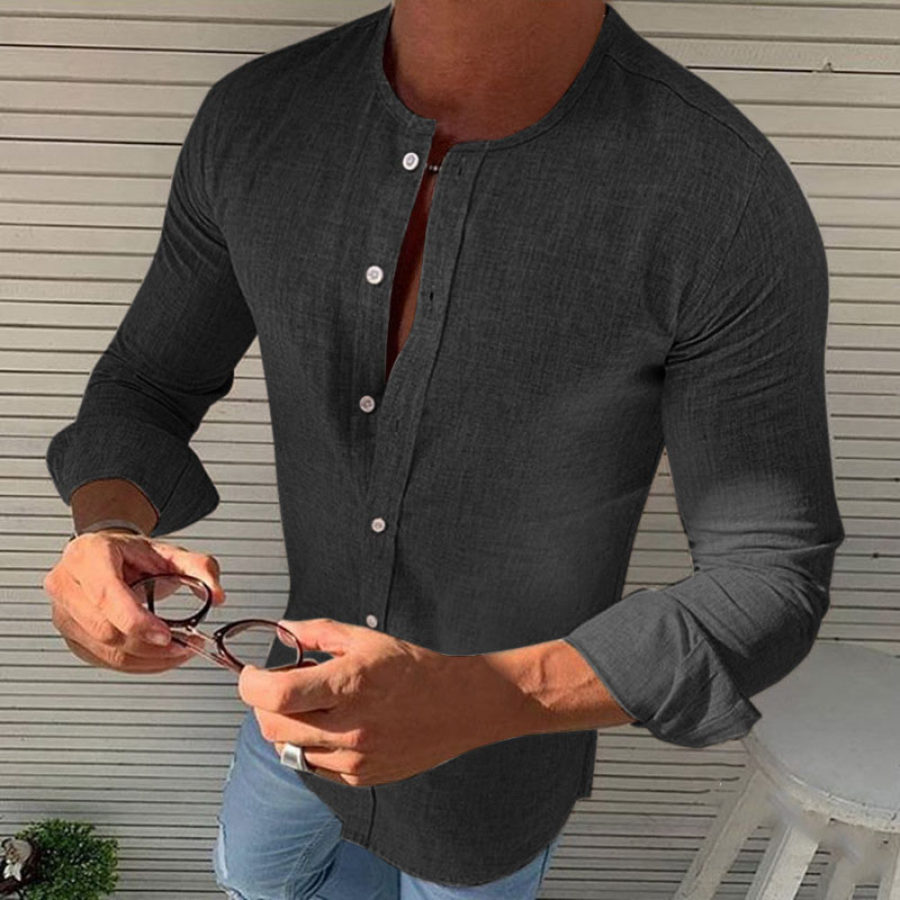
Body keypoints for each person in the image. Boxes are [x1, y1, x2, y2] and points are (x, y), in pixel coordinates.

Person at [41, 0, 846, 896]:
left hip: (497, 767)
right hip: (291, 697)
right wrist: (104, 527)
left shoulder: (721, 195)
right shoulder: (257, 119)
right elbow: (149, 383)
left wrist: (491, 696)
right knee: (253, 881)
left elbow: (770, 574)